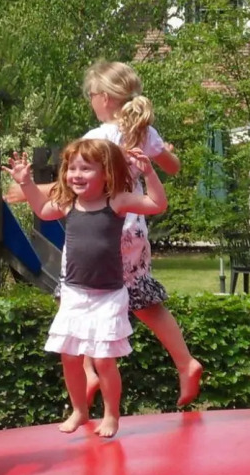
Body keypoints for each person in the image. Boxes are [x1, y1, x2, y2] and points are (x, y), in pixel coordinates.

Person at [7, 137, 168, 438]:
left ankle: (111, 415)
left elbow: (157, 204)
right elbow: (42, 210)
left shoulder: (116, 201)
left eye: (86, 169)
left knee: (104, 359)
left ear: (106, 172)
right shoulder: (69, 203)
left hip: (108, 295)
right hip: (74, 293)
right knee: (70, 356)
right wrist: (27, 183)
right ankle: (79, 410)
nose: (76, 175)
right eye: (72, 168)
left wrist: (149, 173)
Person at [80, 61, 203, 408]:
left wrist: (32, 190)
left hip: (103, 229)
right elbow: (173, 167)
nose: (91, 101)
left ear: (104, 98)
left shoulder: (96, 138)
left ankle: (89, 369)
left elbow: (79, 182)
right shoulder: (144, 133)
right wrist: (160, 154)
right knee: (145, 301)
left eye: (91, 95)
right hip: (135, 228)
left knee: (82, 294)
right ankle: (185, 362)